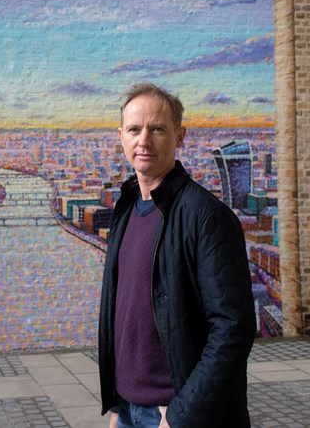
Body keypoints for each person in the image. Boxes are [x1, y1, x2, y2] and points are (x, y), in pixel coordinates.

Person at [98, 82, 256, 427]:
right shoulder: (125, 209)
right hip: (128, 410)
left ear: (180, 136)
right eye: (134, 130)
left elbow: (234, 327)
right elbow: (122, 313)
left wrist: (183, 415)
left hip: (175, 415)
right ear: (120, 136)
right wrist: (116, 404)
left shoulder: (207, 216)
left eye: (157, 129)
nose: (144, 141)